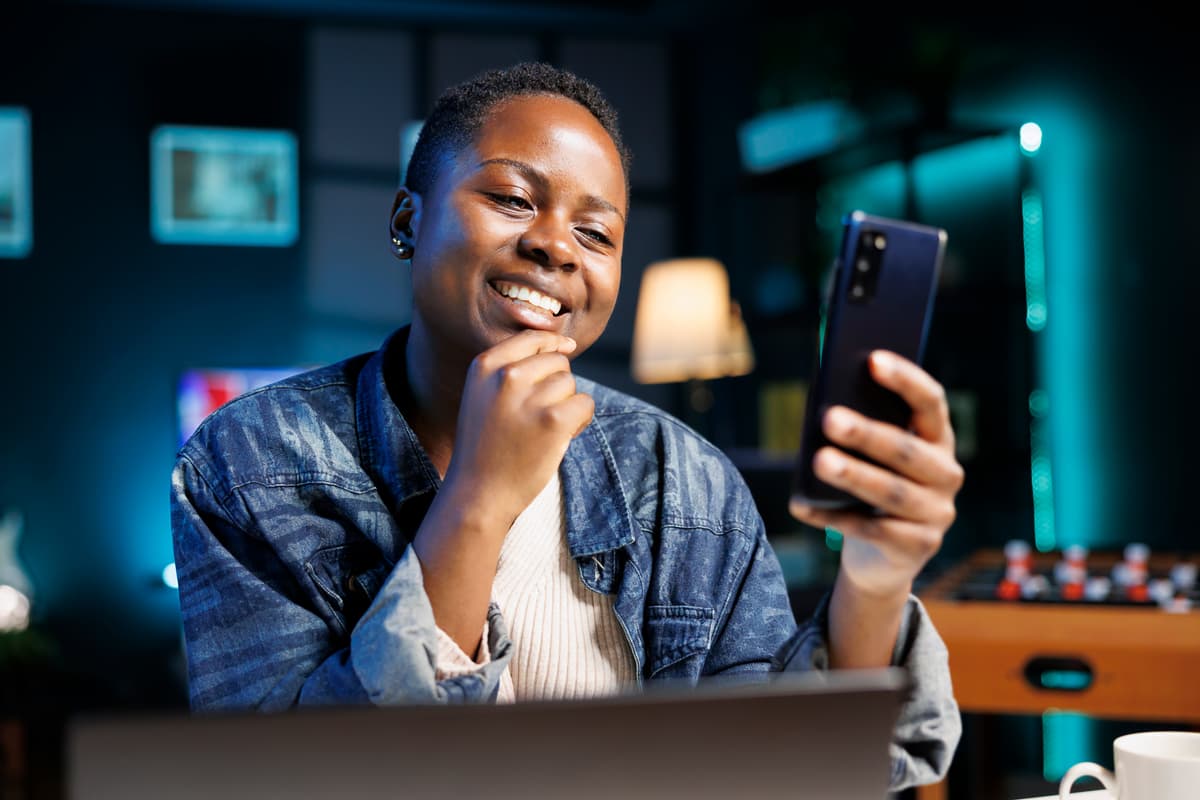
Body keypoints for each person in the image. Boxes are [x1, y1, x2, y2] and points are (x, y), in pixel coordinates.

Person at [170, 61, 964, 790]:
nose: (555, 245)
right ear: (408, 218)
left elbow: (779, 774)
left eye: (597, 234)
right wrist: (480, 498)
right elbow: (285, 781)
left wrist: (873, 580)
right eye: (512, 199)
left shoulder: (683, 478)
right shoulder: (249, 460)